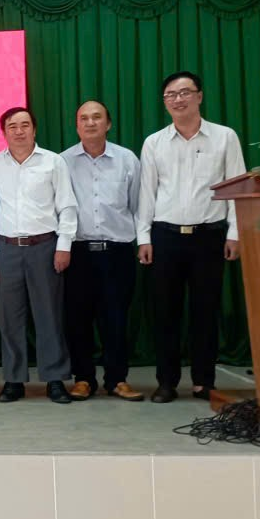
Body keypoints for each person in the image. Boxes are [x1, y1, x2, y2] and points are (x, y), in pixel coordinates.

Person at [137, 71, 245, 403]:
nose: (178, 99)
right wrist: (143, 238)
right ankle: (166, 382)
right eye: (171, 95)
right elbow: (146, 193)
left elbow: (237, 187)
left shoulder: (225, 137)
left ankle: (203, 381)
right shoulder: (154, 142)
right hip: (165, 237)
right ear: (164, 102)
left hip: (209, 237)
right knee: (165, 313)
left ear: (199, 96)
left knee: (205, 311)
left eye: (185, 92)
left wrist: (235, 233)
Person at [0, 107, 77, 404]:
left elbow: (67, 206)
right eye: (12, 126)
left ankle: (55, 379)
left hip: (45, 247)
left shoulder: (53, 162)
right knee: (9, 317)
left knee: (48, 314)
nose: (19, 131)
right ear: (4, 132)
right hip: (8, 248)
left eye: (25, 125)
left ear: (34, 130)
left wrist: (64, 245)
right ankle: (14, 380)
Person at [63, 101, 144, 402]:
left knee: (116, 318)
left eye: (96, 117)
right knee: (78, 319)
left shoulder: (127, 159)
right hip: (78, 252)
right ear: (77, 126)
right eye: (83, 118)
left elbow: (138, 204)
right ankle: (83, 378)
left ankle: (117, 379)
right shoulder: (63, 161)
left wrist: (143, 241)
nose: (90, 123)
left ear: (108, 124)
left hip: (117, 252)